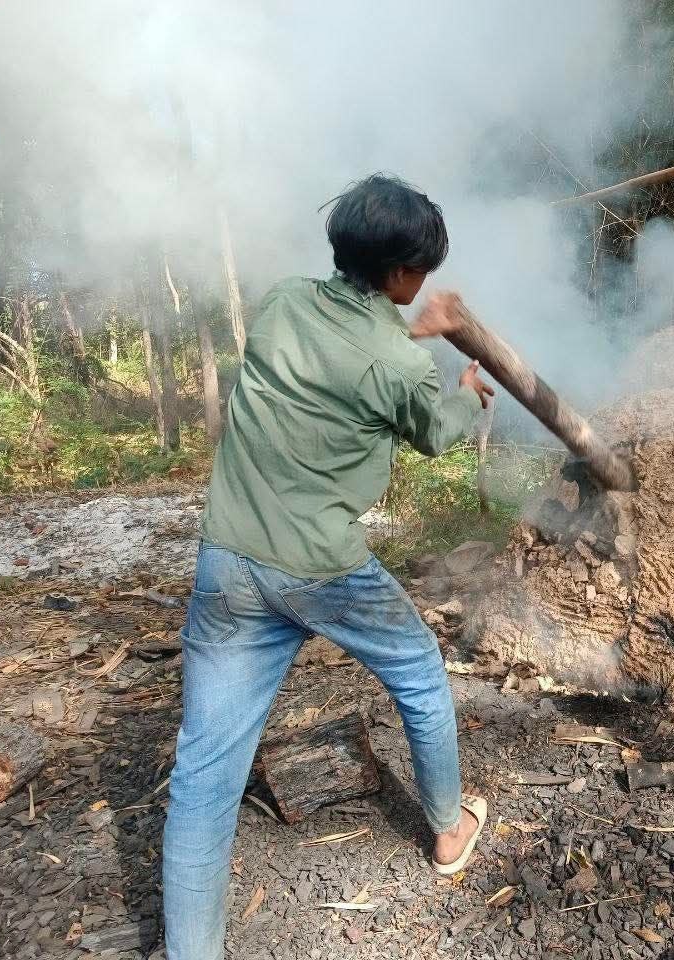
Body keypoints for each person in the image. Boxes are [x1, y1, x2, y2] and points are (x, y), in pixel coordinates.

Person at [161, 173, 494, 960]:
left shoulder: (281, 302)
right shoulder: (402, 367)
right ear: (403, 274)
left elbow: (340, 353)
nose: (426, 284)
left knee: (203, 771)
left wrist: (410, 330)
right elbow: (431, 431)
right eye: (423, 271)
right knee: (419, 671)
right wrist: (465, 389)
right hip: (319, 567)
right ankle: (449, 831)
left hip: (228, 559)